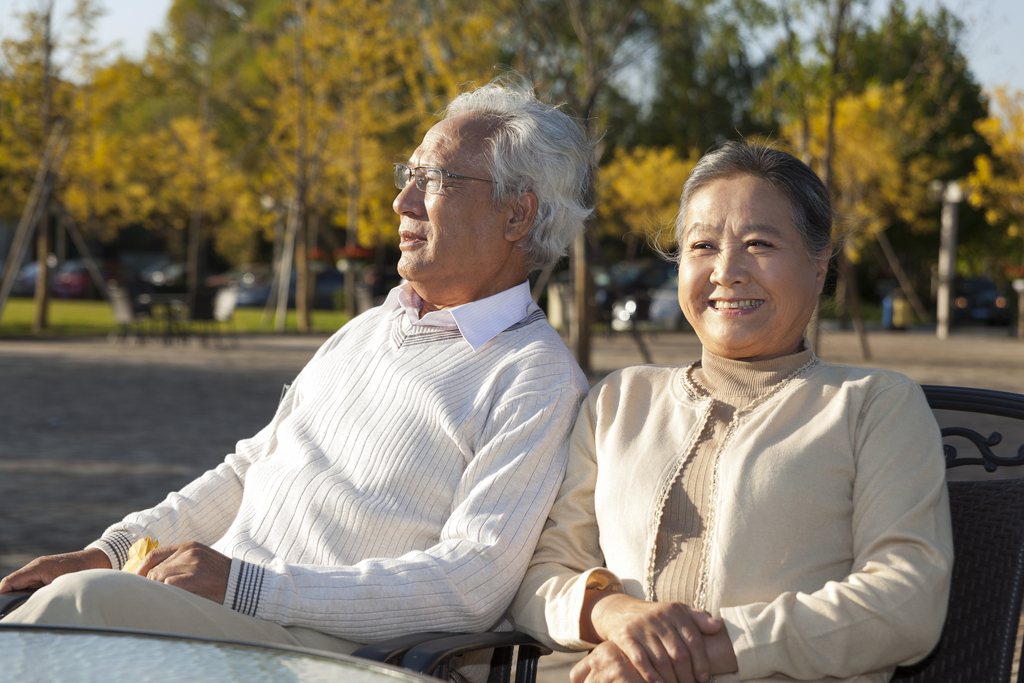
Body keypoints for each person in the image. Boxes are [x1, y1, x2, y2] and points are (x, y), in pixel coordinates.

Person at [1, 74, 596, 670]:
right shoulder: (367, 330)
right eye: (407, 175)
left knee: (79, 613)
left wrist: (246, 586)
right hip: (221, 618)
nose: (403, 202)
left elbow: (470, 584)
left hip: (325, 651)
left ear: (518, 215)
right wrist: (110, 551)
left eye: (435, 180)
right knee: (61, 599)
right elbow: (248, 469)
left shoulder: (534, 377)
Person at [508, 141, 953, 683]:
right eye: (701, 246)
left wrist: (697, 653)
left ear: (819, 265)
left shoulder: (874, 405)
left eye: (759, 243)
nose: (727, 271)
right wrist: (612, 613)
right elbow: (540, 575)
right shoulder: (618, 402)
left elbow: (906, 599)